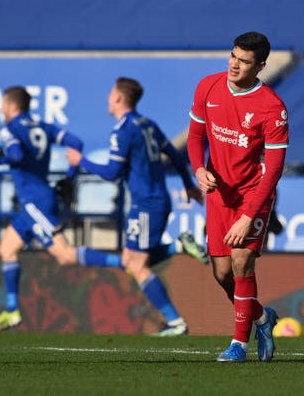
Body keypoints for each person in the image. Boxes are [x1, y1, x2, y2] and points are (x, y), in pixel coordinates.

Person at [67, 77, 205, 336]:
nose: (108, 98)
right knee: (131, 260)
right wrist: (187, 184)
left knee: (137, 266)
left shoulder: (123, 129)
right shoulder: (147, 124)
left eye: (110, 93)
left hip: (145, 205)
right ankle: (179, 246)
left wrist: (80, 160)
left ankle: (175, 322)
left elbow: (111, 172)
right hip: (157, 200)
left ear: (118, 98)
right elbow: (175, 154)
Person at [0, 86, 124, 332]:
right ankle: (11, 309)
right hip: (35, 201)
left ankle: (123, 262)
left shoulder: (10, 129)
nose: (1, 109)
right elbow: (76, 142)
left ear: (13, 107)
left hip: (34, 203)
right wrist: (70, 177)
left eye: (4, 105)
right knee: (6, 248)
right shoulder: (42, 127)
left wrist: (2, 158)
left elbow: (15, 154)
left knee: (65, 255)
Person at [186, 31, 288, 362]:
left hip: (252, 194)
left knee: (241, 261)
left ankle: (238, 345)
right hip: (218, 194)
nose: (234, 64)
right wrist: (199, 170)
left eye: (244, 61)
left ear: (260, 66)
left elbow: (272, 171)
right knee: (222, 274)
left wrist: (248, 217)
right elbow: (195, 136)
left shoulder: (272, 108)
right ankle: (261, 317)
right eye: (233, 56)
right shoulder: (208, 87)